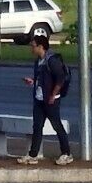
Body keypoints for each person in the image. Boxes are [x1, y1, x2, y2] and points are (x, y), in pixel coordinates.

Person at [18, 33, 72, 165]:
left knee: (57, 125)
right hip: (39, 98)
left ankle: (67, 153)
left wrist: (53, 95)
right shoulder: (38, 61)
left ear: (41, 47)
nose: (32, 49)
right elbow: (42, 79)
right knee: (37, 126)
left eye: (33, 46)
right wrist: (33, 81)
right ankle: (33, 154)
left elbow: (60, 79)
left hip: (50, 100)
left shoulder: (52, 61)